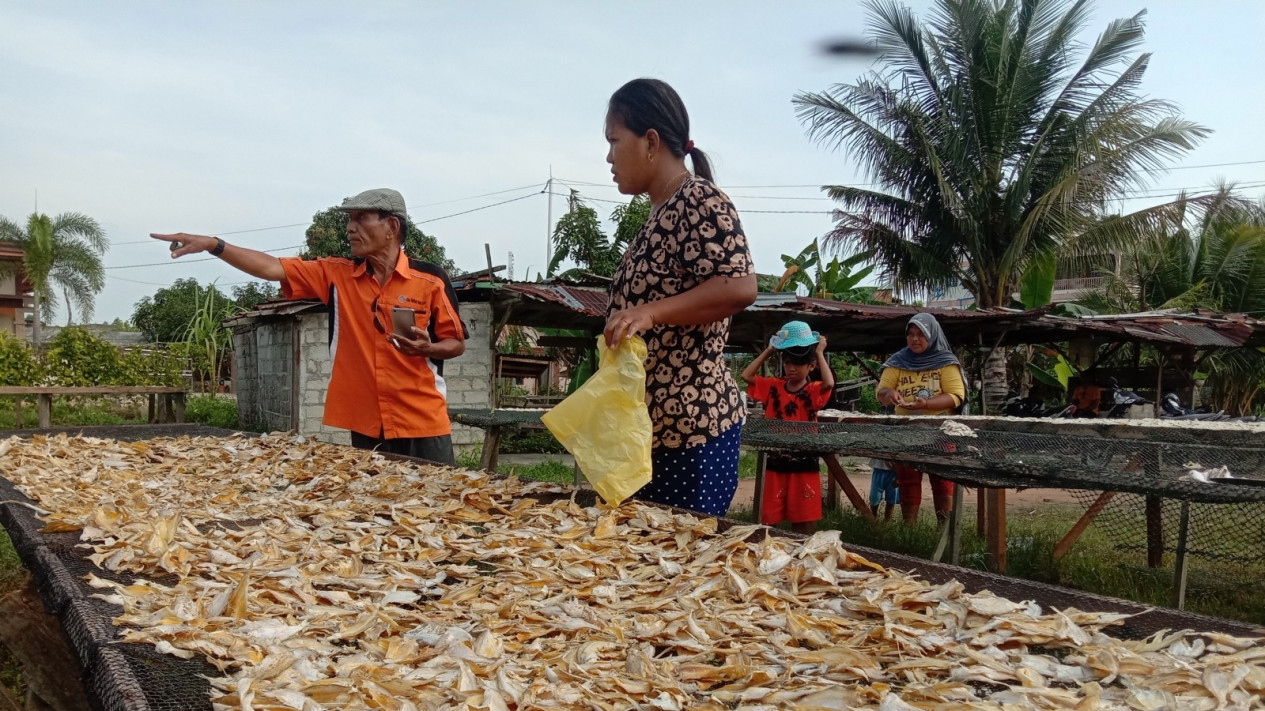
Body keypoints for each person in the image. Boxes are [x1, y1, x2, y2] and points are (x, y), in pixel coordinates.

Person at [151, 188, 467, 465]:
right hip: (367, 424)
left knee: (438, 513)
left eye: (360, 218)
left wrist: (427, 348)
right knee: (380, 512)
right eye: (349, 220)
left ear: (392, 226)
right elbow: (271, 267)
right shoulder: (336, 275)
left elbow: (456, 343)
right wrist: (214, 245)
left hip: (424, 421)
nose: (350, 228)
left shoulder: (431, 280)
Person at [602, 78, 758, 517]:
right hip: (655, 428)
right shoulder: (659, 212)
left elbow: (739, 286)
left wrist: (649, 312)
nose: (609, 157)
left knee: (683, 570)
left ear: (650, 141)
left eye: (614, 141)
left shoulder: (698, 200)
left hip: (693, 428)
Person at [741, 322, 834, 534]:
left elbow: (828, 384)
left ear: (811, 366)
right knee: (770, 520)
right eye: (788, 363)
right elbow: (746, 376)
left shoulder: (812, 389)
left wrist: (819, 352)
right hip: (777, 459)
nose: (791, 368)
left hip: (804, 459)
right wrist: (770, 350)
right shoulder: (773, 386)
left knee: (804, 520)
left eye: (798, 364)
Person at [875, 313, 966, 524]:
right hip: (906, 430)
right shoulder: (898, 361)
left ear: (932, 335)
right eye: (911, 334)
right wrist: (890, 395)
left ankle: (944, 528)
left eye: (921, 334)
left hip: (941, 431)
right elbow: (881, 392)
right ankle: (909, 527)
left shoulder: (946, 362)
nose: (915, 339)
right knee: (907, 479)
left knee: (942, 478)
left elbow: (955, 396)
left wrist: (926, 405)